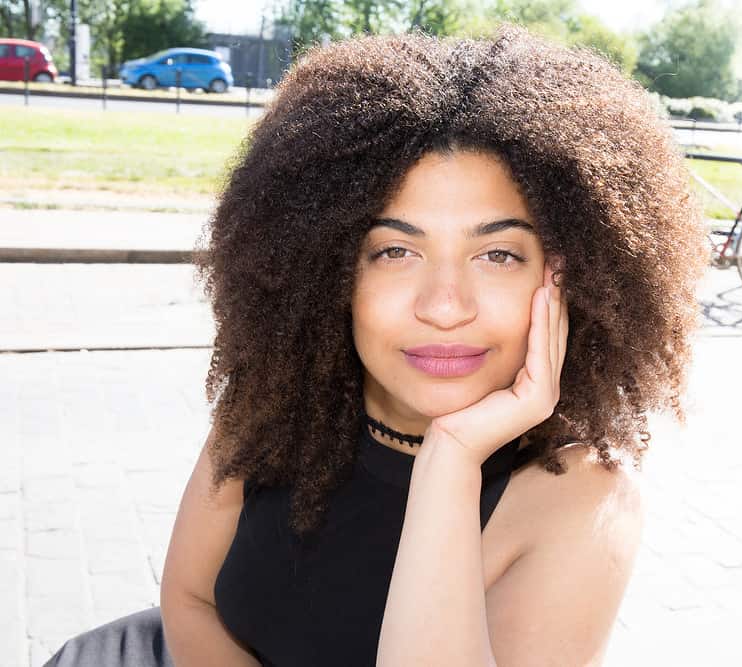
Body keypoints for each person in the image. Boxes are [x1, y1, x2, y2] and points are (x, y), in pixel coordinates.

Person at [46, 24, 707, 667]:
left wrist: (450, 459)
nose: (444, 304)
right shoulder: (274, 404)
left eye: (498, 254)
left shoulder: (583, 500)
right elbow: (190, 601)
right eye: (394, 250)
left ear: (569, 276)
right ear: (330, 268)